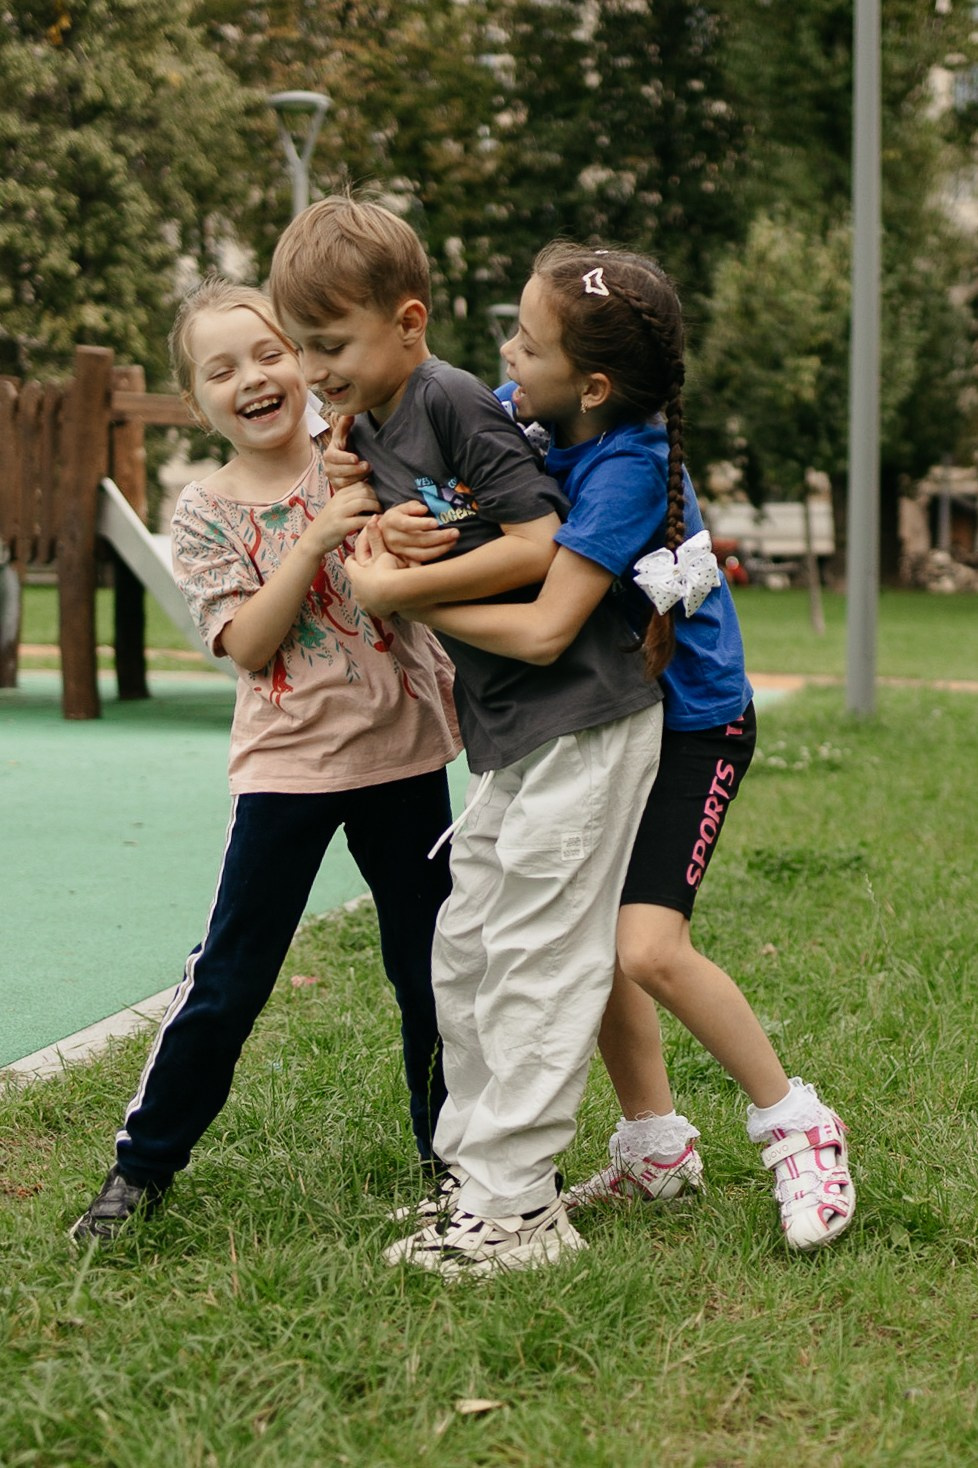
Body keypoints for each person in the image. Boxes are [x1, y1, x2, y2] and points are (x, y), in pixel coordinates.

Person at [350, 241, 855, 1254]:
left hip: (694, 725)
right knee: (588, 933)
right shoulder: (533, 404)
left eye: (525, 342)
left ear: (592, 383)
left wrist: (401, 595)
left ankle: (795, 1122)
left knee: (645, 946)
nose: (504, 354)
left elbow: (544, 627)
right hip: (614, 720)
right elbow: (453, 465)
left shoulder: (624, 465)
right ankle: (653, 1142)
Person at [268, 195, 664, 1276]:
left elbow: (538, 541)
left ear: (407, 321)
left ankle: (521, 1212)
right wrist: (386, 527)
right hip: (509, 732)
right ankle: (475, 1185)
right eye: (301, 345)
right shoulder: (374, 419)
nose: (313, 367)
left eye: (330, 344)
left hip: (584, 713)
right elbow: (421, 523)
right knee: (468, 951)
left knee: (535, 960)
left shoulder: (447, 399)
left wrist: (407, 583)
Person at [70, 277, 462, 1245]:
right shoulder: (202, 511)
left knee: (434, 973)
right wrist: (320, 532)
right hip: (286, 771)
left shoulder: (367, 449)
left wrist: (386, 522)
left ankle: (453, 1159)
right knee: (231, 977)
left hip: (405, 757)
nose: (251, 377)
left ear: (303, 361)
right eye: (220, 369)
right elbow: (248, 643)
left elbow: (425, 563)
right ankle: (142, 1168)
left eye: (267, 353)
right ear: (197, 401)